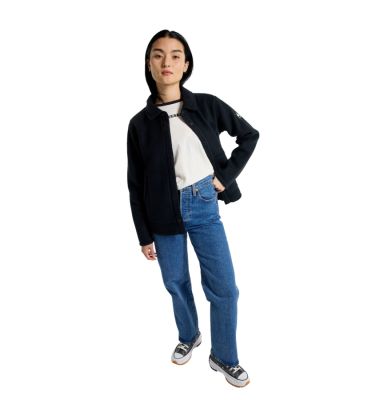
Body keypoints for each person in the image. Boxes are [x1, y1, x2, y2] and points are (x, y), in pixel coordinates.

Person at [126, 29, 259, 388]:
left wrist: (225, 177)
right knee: (175, 282)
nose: (166, 62)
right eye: (158, 55)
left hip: (203, 203)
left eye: (175, 55)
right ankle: (189, 335)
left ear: (186, 64)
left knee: (225, 288)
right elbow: (135, 183)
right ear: (149, 64)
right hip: (160, 212)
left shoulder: (207, 105)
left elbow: (249, 136)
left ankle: (224, 357)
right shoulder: (139, 124)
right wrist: (143, 234)